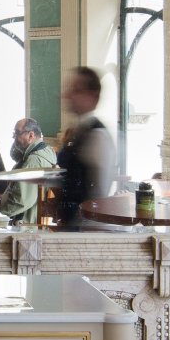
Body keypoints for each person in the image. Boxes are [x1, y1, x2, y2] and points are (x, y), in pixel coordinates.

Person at [55, 67, 115, 227]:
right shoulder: (80, 130)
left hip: (85, 227)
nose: (68, 95)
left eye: (76, 90)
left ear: (93, 97)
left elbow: (98, 192)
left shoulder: (97, 135)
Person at [0, 117, 57, 224]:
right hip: (32, 220)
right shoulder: (47, 151)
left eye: (17, 133)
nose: (14, 137)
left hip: (25, 224)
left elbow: (21, 201)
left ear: (31, 135)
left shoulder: (33, 161)